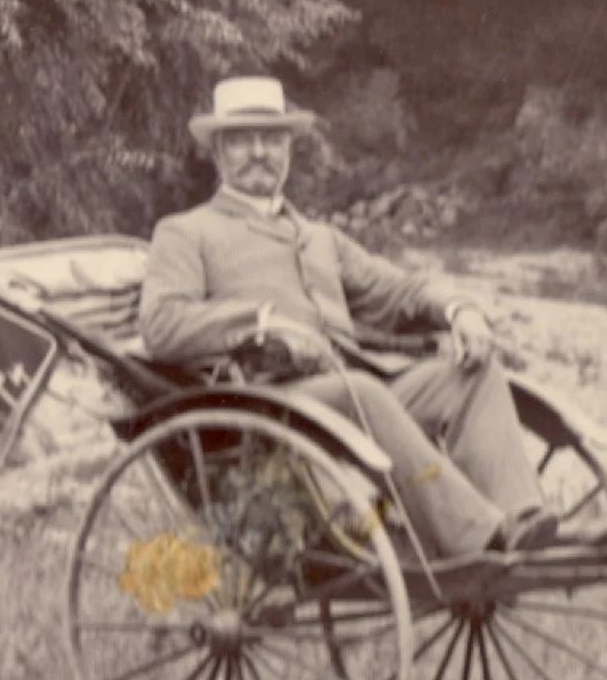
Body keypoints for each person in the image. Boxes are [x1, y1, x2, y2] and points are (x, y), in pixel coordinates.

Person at [137, 75, 580, 563]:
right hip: (273, 405)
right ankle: (480, 537)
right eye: (243, 141)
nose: (260, 151)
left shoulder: (318, 236)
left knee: (473, 373)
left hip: (358, 394)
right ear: (217, 152)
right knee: (363, 392)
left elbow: (397, 289)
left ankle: (519, 518)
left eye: (273, 139)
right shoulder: (186, 232)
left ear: (290, 148)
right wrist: (263, 324)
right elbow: (161, 324)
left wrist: (461, 310)